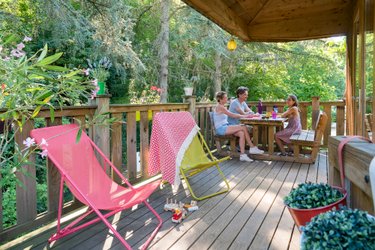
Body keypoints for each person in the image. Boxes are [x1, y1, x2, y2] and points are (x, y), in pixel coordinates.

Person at [213, 91, 264, 162]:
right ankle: (252, 147)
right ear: (220, 99)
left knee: (241, 133)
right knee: (243, 127)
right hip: (221, 129)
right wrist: (246, 116)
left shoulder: (223, 106)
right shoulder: (220, 107)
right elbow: (233, 115)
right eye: (225, 98)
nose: (227, 99)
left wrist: (247, 115)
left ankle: (242, 155)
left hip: (226, 126)